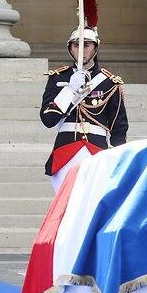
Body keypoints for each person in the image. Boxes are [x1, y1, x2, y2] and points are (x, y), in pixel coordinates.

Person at [39, 26, 128, 192]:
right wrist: (70, 90)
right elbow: (48, 119)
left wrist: (118, 161)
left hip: (96, 150)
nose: (81, 49)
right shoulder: (59, 78)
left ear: (95, 48)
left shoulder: (109, 82)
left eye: (86, 44)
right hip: (66, 151)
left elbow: (118, 128)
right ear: (70, 48)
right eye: (76, 45)